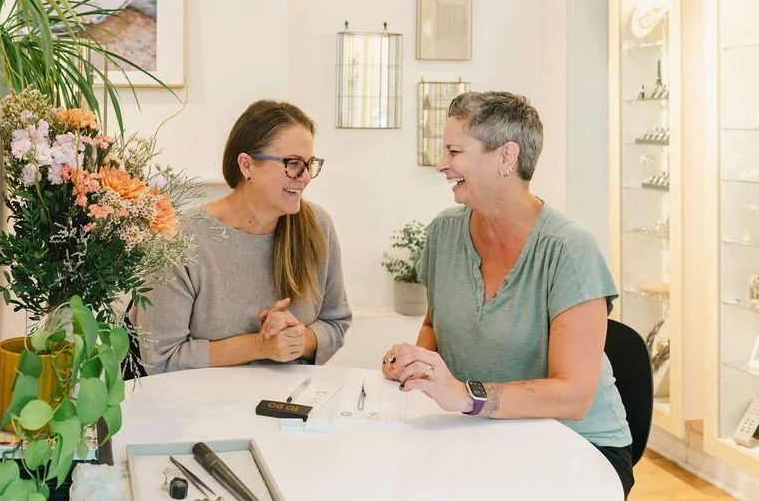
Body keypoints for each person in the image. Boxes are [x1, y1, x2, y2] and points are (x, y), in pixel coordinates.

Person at [381, 91, 634, 498]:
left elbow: (573, 395)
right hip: (485, 431)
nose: (441, 164)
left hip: (578, 444)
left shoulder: (567, 248)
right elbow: (435, 322)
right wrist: (417, 365)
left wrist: (466, 397)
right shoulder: (444, 232)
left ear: (506, 157)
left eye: (454, 151)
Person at [136, 99, 352, 373]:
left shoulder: (318, 227)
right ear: (247, 165)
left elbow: (335, 322)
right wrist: (260, 346)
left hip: (288, 406)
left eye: (310, 164)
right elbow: (161, 358)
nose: (305, 177)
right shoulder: (181, 239)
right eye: (293, 163)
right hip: (198, 409)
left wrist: (299, 340)